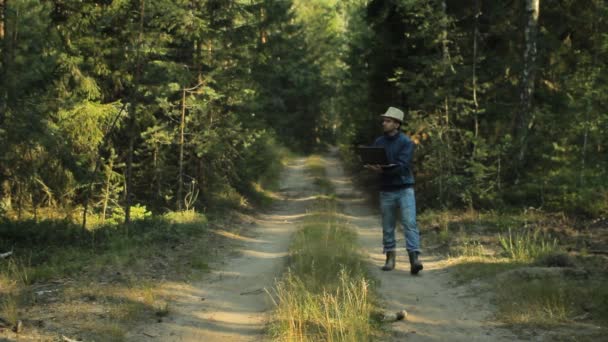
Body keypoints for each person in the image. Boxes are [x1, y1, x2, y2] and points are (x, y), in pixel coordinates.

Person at [364, 106, 423, 275]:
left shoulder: (406, 142)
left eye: (388, 121)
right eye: (384, 120)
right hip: (386, 190)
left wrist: (382, 170)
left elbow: (403, 166)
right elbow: (375, 159)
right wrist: (372, 166)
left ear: (397, 124)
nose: (384, 123)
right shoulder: (379, 142)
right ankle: (390, 258)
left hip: (404, 188)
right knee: (388, 226)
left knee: (410, 224)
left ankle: (414, 259)